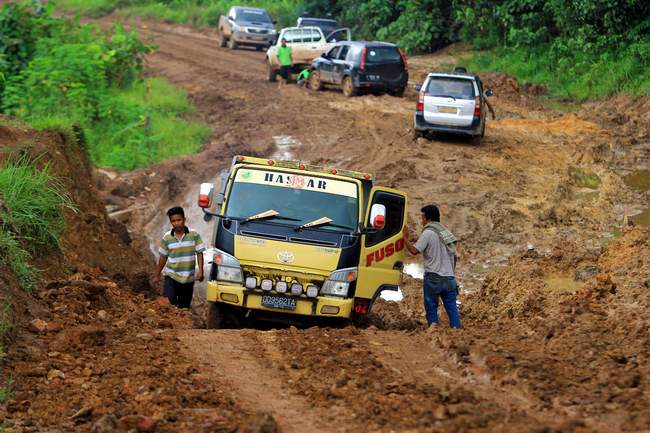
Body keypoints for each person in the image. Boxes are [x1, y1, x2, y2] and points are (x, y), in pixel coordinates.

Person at [403, 204, 461, 328]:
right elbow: (455, 256)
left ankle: (434, 332)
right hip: (449, 278)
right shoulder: (446, 233)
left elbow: (414, 251)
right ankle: (457, 332)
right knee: (452, 308)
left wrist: (404, 238)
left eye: (422, 218)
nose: (421, 221)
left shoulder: (428, 233)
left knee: (431, 306)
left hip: (434, 278)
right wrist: (451, 272)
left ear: (428, 219)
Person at [152, 207, 205, 308]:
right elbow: (163, 257)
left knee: (184, 307)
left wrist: (201, 271)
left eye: (179, 220)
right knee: (170, 301)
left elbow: (199, 253)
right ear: (171, 222)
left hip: (188, 278)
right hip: (172, 276)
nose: (176, 223)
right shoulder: (167, 237)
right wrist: (157, 274)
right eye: (173, 221)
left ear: (184, 219)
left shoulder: (194, 235)